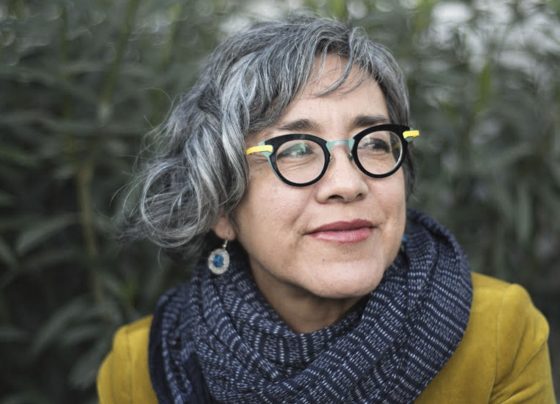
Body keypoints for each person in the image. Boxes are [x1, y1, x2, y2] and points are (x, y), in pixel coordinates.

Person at [97, 16, 556, 403]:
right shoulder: (141, 368)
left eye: (374, 142)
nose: (348, 184)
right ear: (220, 204)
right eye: (296, 149)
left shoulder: (497, 333)